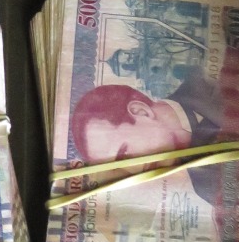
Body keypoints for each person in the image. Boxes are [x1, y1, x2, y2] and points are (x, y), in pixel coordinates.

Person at [69, 71, 226, 203]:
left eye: (124, 154)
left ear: (140, 111)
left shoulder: (210, 79)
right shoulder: (206, 186)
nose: (135, 170)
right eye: (119, 167)